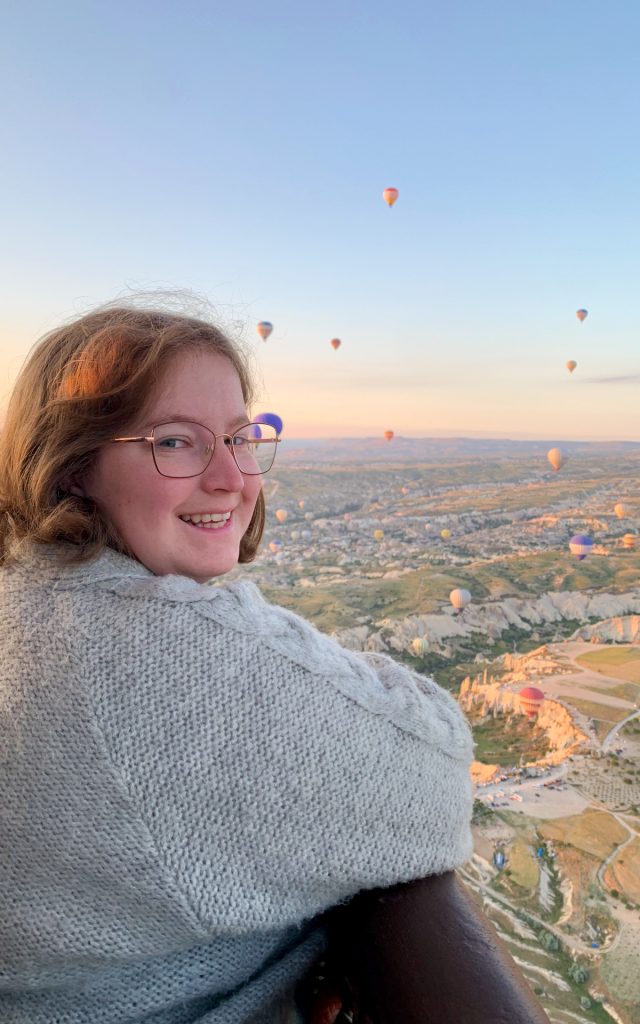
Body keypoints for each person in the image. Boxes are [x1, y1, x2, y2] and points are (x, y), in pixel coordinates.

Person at [0, 301, 527, 1024]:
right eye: (178, 443)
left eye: (241, 438)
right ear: (74, 468)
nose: (231, 477)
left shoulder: (27, 596)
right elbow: (434, 768)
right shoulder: (151, 651)